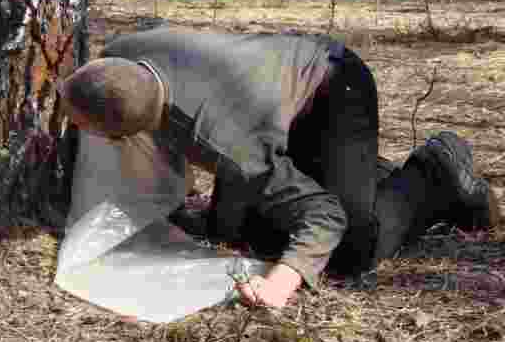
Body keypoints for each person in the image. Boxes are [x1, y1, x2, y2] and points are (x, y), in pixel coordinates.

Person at [57, 26, 499, 310]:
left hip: (331, 85)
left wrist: (279, 286)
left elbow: (324, 216)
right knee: (236, 231)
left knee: (349, 249)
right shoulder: (119, 57)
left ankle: (435, 172)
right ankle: (361, 173)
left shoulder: (228, 144)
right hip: (262, 96)